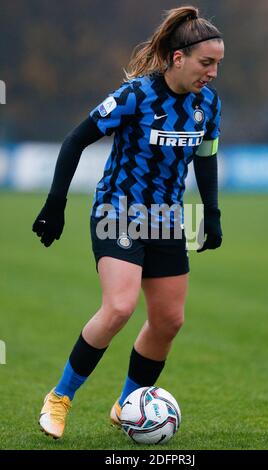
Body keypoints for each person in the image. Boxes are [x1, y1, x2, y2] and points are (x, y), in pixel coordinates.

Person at [33, 5, 224, 439]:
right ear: (179, 58)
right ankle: (60, 398)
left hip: (167, 218)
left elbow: (206, 157)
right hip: (118, 211)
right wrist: (55, 203)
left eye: (217, 64)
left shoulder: (207, 103)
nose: (212, 73)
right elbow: (76, 139)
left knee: (169, 320)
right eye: (206, 63)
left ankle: (128, 405)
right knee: (119, 306)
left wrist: (210, 213)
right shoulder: (136, 95)